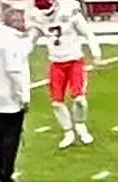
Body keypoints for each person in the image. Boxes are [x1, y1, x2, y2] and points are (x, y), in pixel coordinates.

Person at [36, 0, 100, 143]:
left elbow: (87, 32)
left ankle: (80, 125)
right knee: (57, 103)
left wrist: (96, 53)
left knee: (79, 99)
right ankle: (68, 132)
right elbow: (31, 38)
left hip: (74, 60)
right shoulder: (37, 15)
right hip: (56, 63)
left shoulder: (69, 9)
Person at [0, 0, 34, 182]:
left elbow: (23, 53)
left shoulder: (0, 38)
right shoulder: (10, 40)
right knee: (11, 137)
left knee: (2, 136)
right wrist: (23, 95)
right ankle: (4, 175)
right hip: (10, 95)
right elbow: (14, 69)